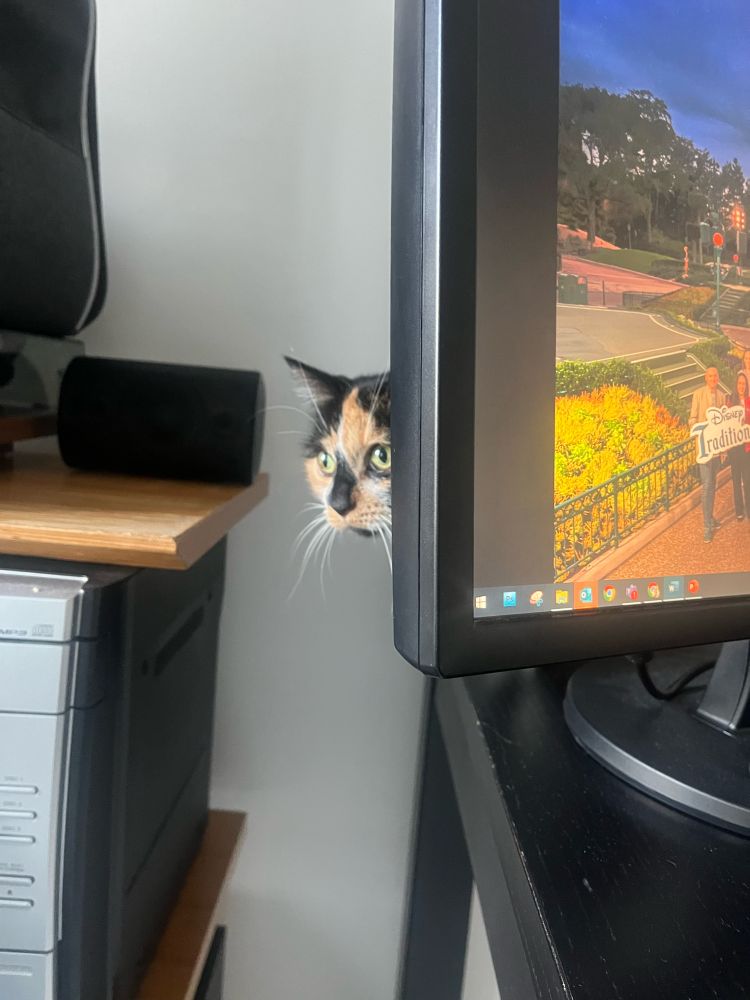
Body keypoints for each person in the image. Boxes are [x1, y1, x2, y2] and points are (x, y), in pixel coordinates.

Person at [689, 367, 727, 542]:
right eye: (710, 376)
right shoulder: (698, 394)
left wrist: (724, 449)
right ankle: (706, 527)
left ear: (718, 378)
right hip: (704, 450)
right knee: (706, 485)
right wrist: (700, 430)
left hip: (716, 450)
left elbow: (724, 425)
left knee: (713, 484)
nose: (713, 378)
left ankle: (710, 518)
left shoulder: (721, 396)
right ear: (706, 378)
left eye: (715, 376)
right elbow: (692, 419)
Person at [726, 371, 750, 521]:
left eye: (744, 384)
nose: (741, 386)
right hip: (734, 448)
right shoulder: (730, 401)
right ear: (736, 385)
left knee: (747, 479)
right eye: (739, 383)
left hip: (747, 447)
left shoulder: (749, 401)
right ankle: (739, 511)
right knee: (736, 479)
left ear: (747, 386)